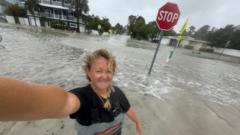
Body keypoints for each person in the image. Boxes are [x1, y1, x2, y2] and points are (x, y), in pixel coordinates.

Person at [0, 49, 143, 135]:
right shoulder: (83, 97)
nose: (104, 76)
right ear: (89, 72)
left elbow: (128, 108)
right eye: (99, 71)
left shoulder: (118, 93)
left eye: (109, 71)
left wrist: (138, 124)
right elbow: (63, 103)